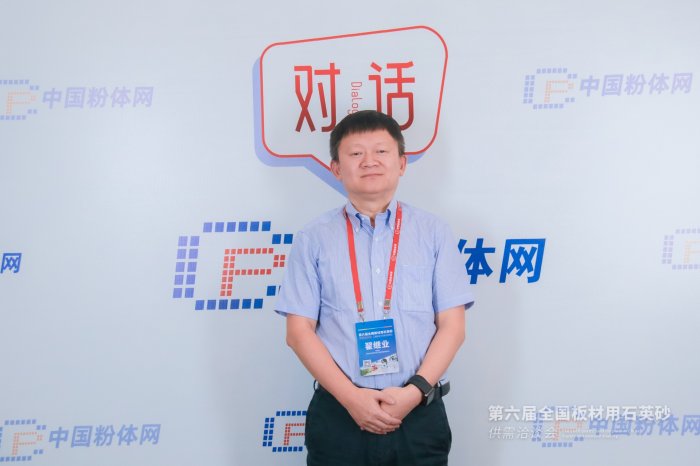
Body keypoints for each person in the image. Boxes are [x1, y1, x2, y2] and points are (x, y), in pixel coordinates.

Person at [275, 110, 474, 466]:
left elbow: (452, 326)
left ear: (402, 163)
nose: (369, 161)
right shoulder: (313, 239)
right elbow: (298, 332)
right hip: (340, 416)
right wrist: (353, 399)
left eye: (381, 151)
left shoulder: (433, 233)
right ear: (336, 168)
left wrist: (414, 393)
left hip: (419, 414)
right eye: (356, 153)